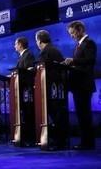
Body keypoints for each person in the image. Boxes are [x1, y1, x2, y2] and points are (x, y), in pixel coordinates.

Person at [63, 20, 97, 150]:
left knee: (84, 115)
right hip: (78, 85)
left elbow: (90, 61)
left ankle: (87, 143)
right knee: (81, 114)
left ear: (80, 30)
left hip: (84, 85)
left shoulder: (89, 43)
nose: (71, 35)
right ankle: (86, 142)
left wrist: (73, 61)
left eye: (73, 33)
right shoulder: (79, 44)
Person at [35, 30, 66, 149]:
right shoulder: (55, 50)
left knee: (55, 115)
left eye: (37, 40)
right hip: (57, 88)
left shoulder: (45, 52)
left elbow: (41, 70)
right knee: (57, 115)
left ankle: (59, 141)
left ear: (39, 40)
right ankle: (59, 140)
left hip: (50, 88)